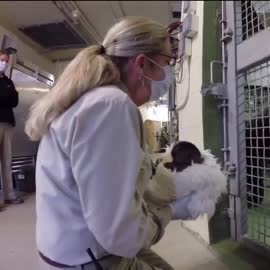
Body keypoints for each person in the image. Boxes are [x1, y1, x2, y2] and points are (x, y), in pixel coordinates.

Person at [25, 17, 198, 270]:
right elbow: (121, 235)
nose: (167, 75)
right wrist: (170, 212)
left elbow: (115, 186)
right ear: (141, 63)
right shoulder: (110, 106)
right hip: (90, 260)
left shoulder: (90, 99)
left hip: (72, 251)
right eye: (165, 64)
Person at [0, 49, 24, 209]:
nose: (4, 63)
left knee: (7, 162)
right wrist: (6, 96)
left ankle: (9, 195)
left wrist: (6, 95)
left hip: (8, 123)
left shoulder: (8, 81)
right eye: (2, 59)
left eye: (6, 61)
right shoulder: (7, 85)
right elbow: (7, 97)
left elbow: (15, 100)